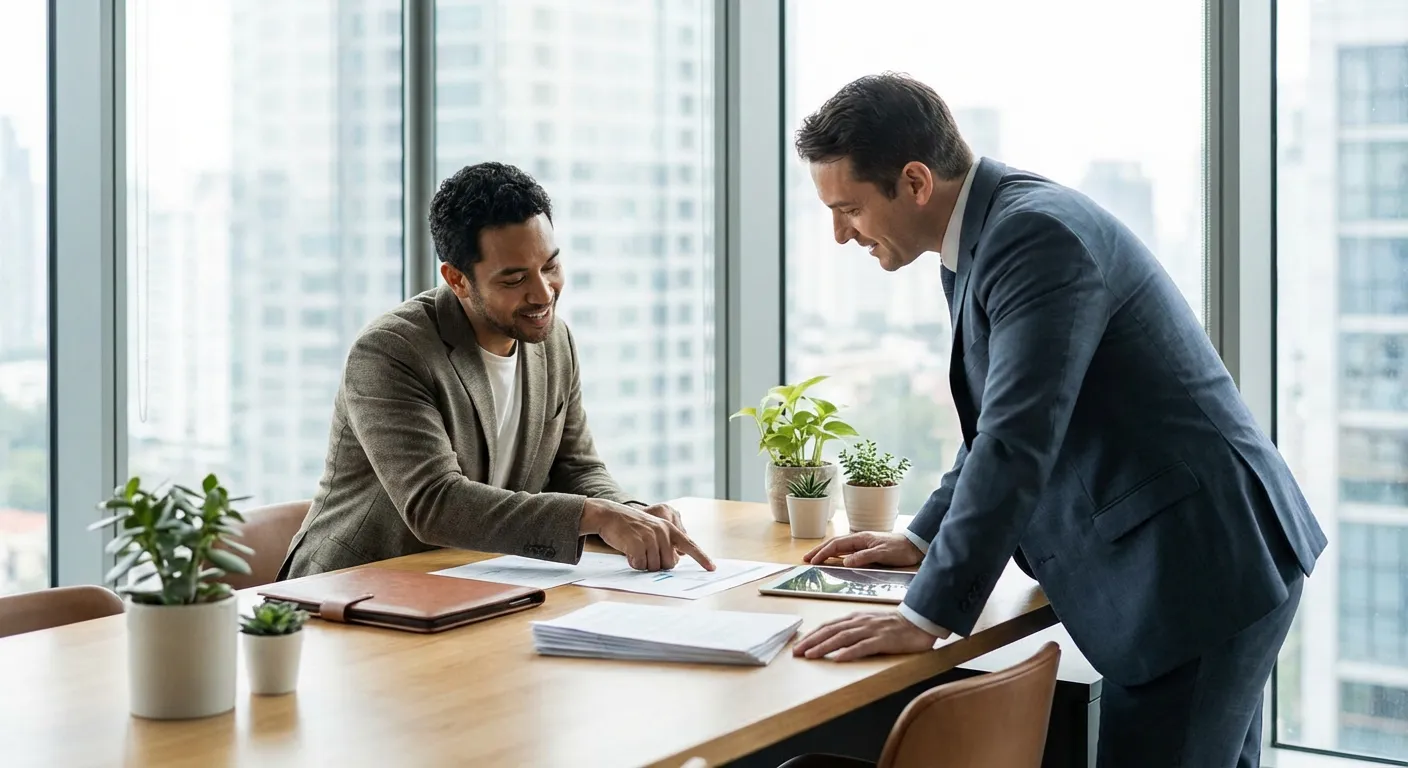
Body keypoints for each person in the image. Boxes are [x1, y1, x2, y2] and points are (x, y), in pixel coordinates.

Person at [787, 73, 1326, 767]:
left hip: (1195, 569)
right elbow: (994, 428)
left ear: (915, 182)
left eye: (849, 209)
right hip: (1204, 558)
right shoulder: (983, 240)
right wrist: (923, 536)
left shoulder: (1032, 237)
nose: (839, 235)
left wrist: (925, 617)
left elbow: (1018, 439)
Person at [279, 162, 713, 580]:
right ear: (457, 279)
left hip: (470, 583)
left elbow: (576, 469)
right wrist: (593, 515)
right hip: (351, 591)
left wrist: (629, 512)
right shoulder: (391, 351)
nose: (543, 293)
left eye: (550, 266)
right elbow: (435, 503)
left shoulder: (554, 341)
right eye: (514, 280)